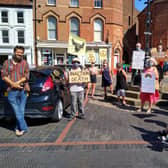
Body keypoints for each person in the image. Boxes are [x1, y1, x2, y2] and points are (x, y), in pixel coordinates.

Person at [1, 46, 30, 136]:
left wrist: (17, 82)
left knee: (21, 111)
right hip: (11, 91)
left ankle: (17, 128)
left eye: (21, 53)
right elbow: (4, 76)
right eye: (18, 52)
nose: (20, 54)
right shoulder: (7, 63)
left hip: (23, 90)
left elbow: (26, 76)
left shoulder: (25, 63)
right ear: (14, 52)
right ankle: (24, 128)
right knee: (17, 111)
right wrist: (13, 84)